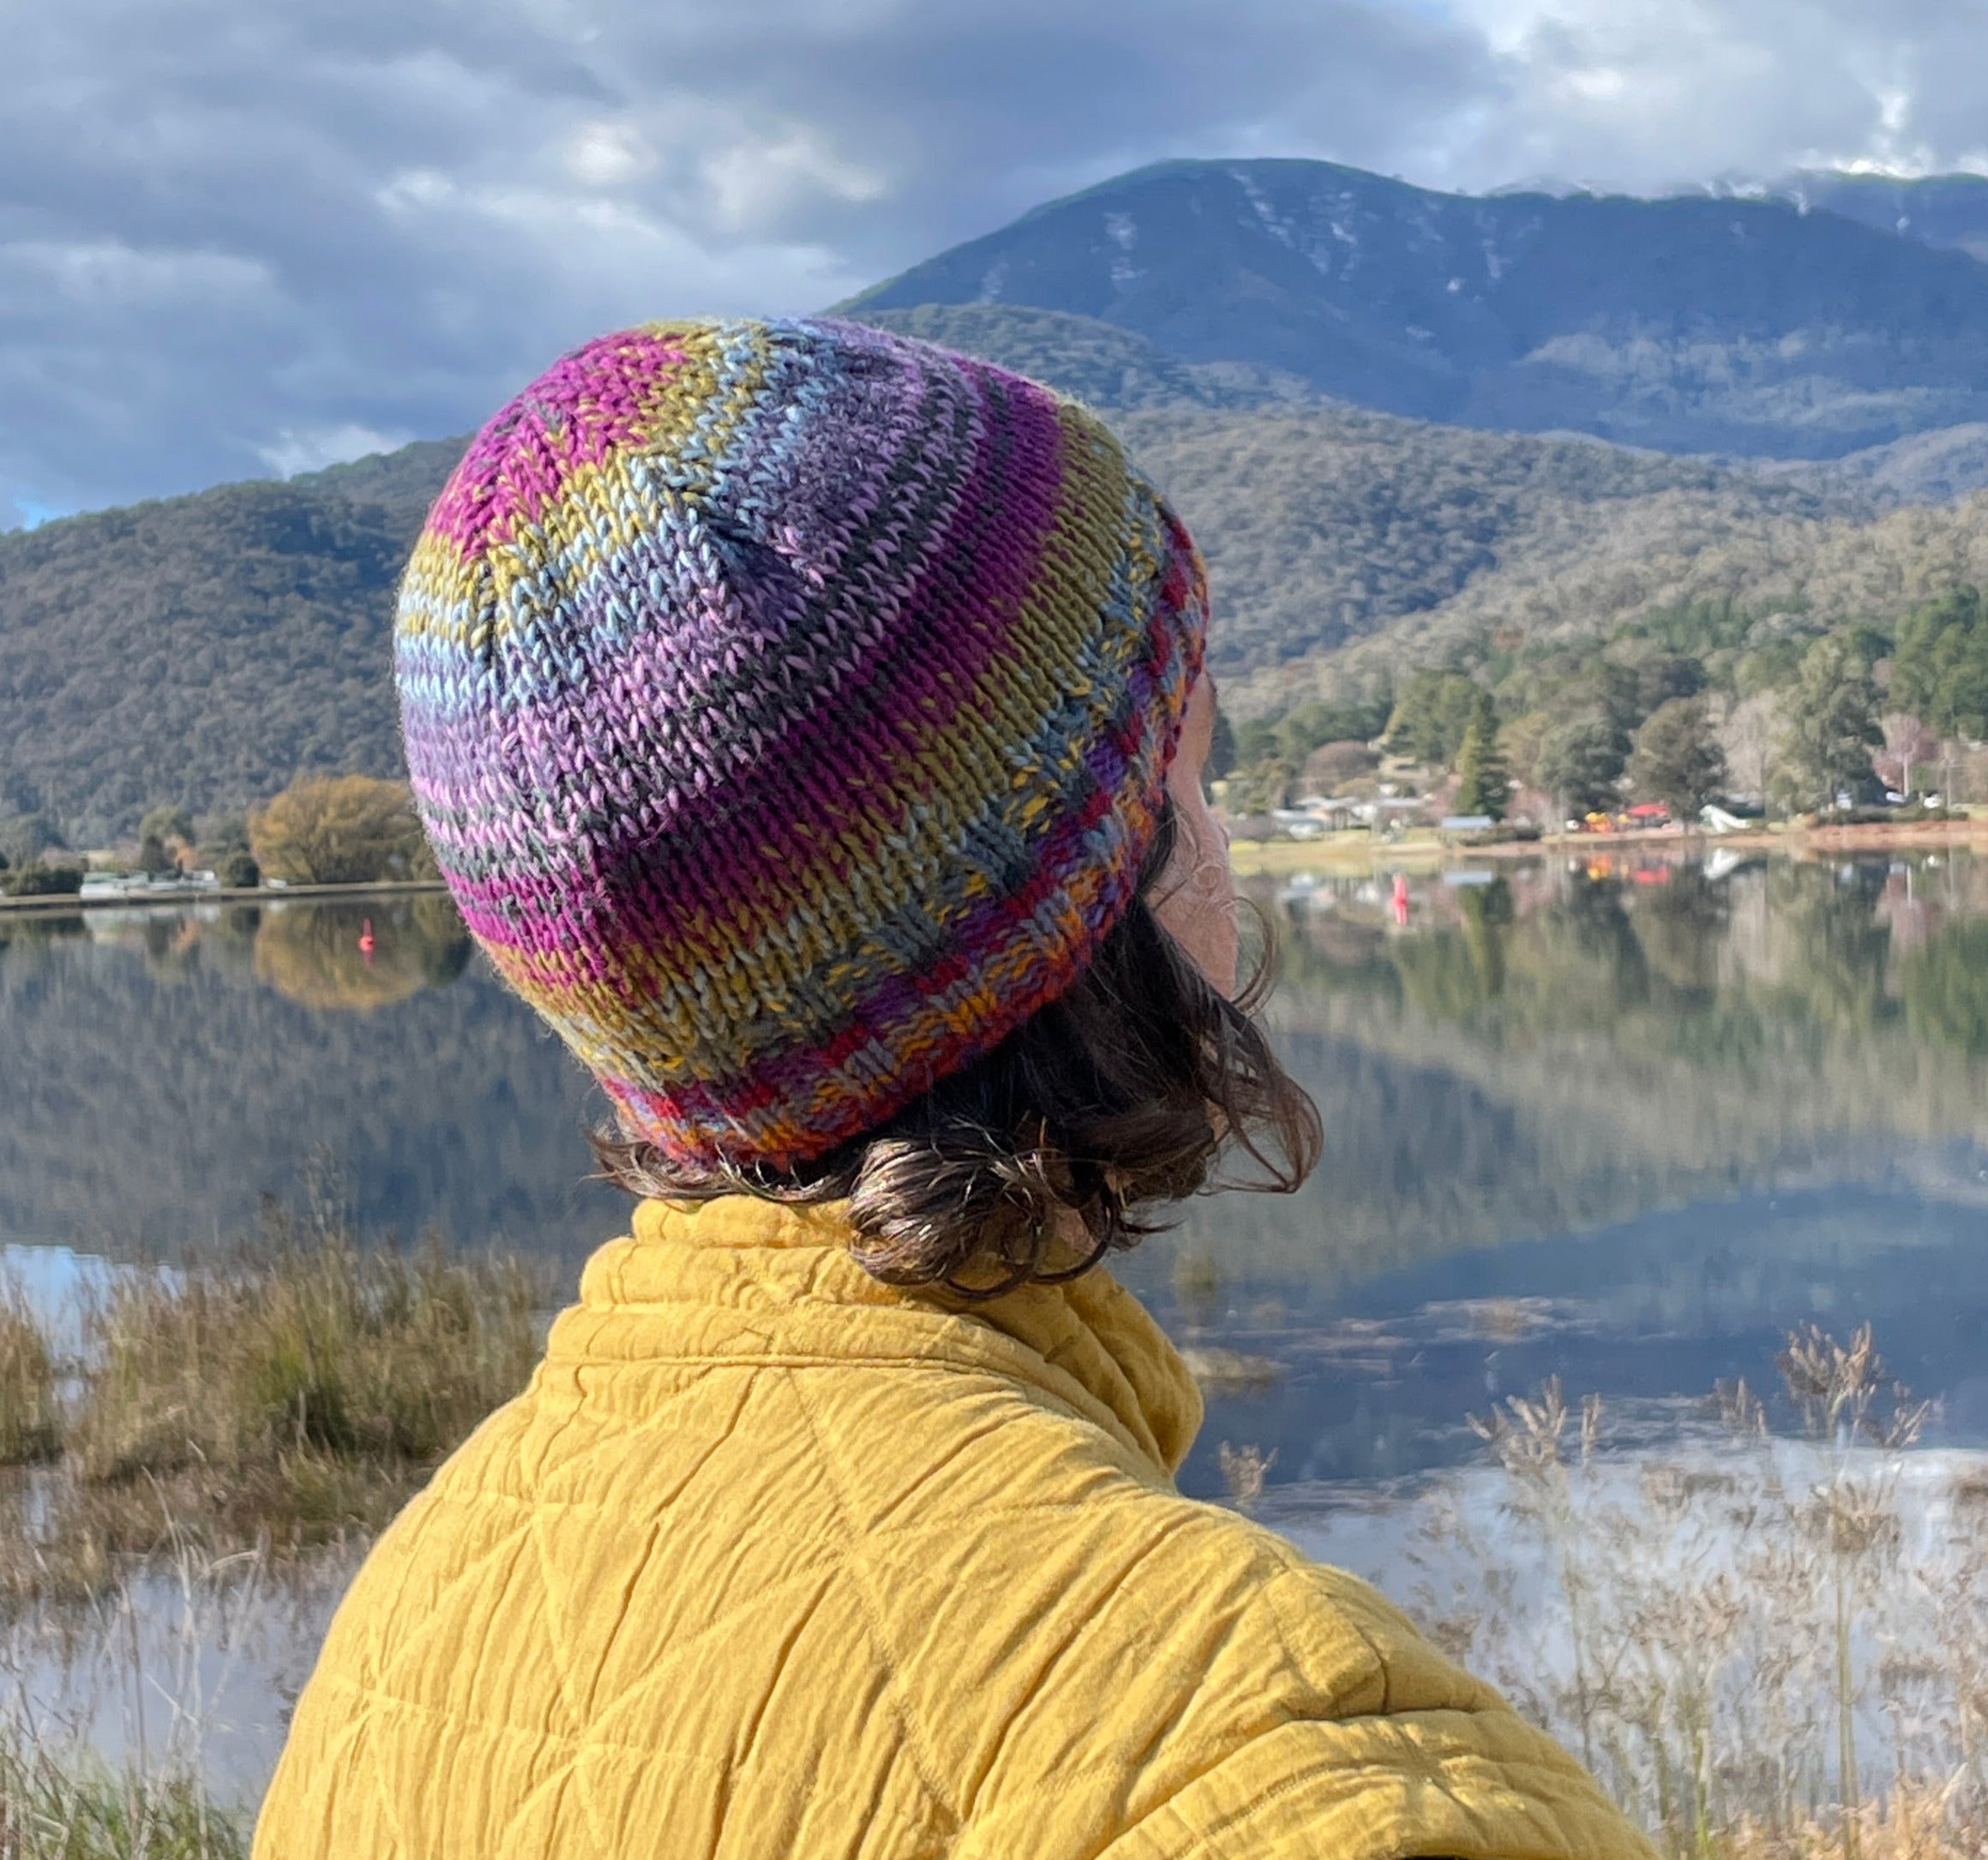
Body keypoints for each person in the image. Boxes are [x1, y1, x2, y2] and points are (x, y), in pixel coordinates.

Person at [254, 317, 1651, 1860]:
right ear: (1081, 881)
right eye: (1195, 761)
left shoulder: (420, 1609)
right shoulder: (1289, 1774)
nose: (1227, 843)